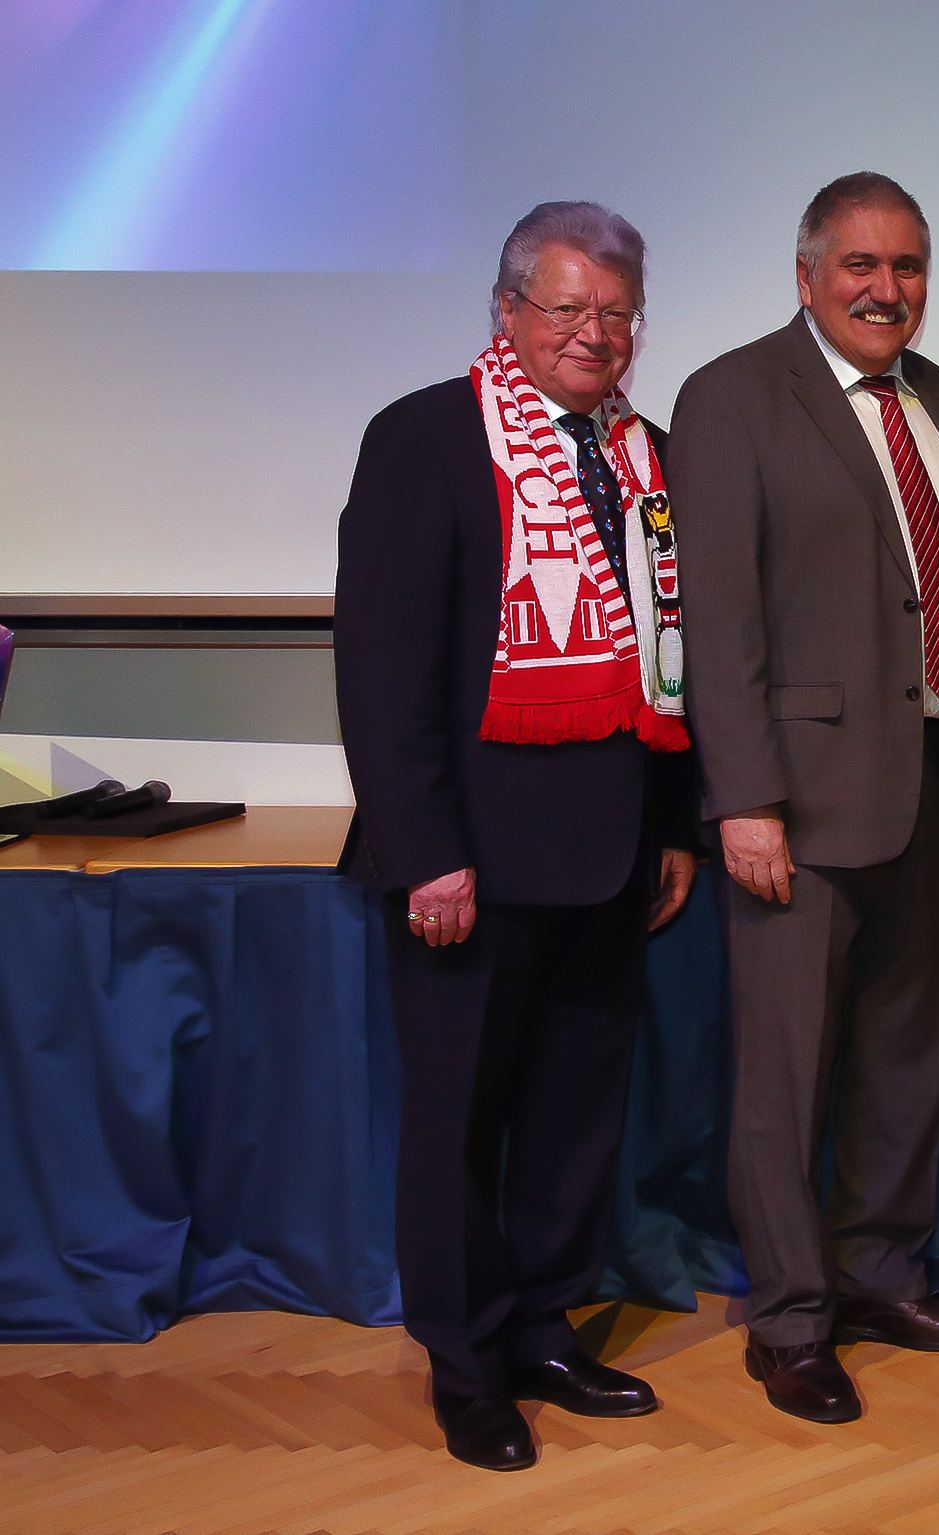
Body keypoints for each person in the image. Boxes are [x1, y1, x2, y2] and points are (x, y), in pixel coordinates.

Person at [335, 202, 699, 1471]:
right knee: (458, 1125)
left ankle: (544, 1325)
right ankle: (466, 1358)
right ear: (507, 311)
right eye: (567, 307)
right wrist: (424, 849)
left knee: (572, 1115)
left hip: (609, 853)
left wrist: (671, 825)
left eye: (616, 312)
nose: (594, 332)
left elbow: (667, 657)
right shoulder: (428, 436)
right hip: (471, 864)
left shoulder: (645, 455)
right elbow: (382, 667)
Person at [665, 172, 939, 1425]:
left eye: (906, 265)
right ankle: (792, 1319)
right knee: (785, 1076)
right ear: (806, 274)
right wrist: (743, 797)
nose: (884, 288)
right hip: (795, 808)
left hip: (929, 786)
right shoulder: (731, 395)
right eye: (859, 264)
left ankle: (878, 1276)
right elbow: (719, 615)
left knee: (907, 1058)